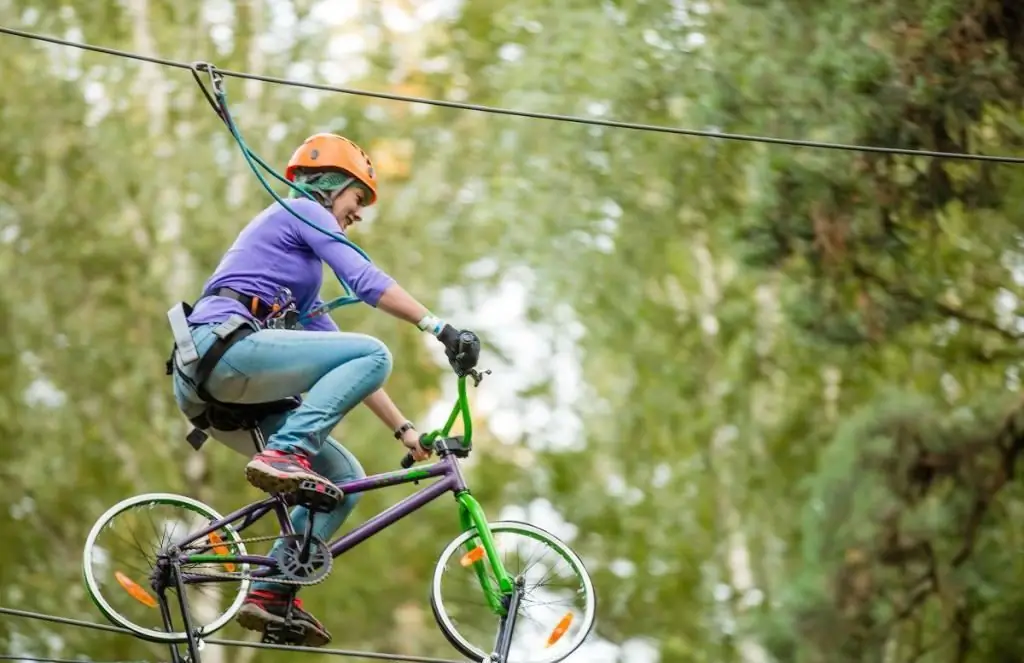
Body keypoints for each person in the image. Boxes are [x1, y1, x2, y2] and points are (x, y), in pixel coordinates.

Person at [166, 132, 480, 647]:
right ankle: (288, 451)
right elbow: (365, 281)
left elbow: (348, 359)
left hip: (219, 394)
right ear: (331, 186)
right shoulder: (301, 210)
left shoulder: (302, 280)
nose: (357, 215)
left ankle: (269, 591)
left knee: (343, 479)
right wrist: (439, 327)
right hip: (222, 349)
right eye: (357, 200)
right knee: (377, 351)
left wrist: (406, 433)